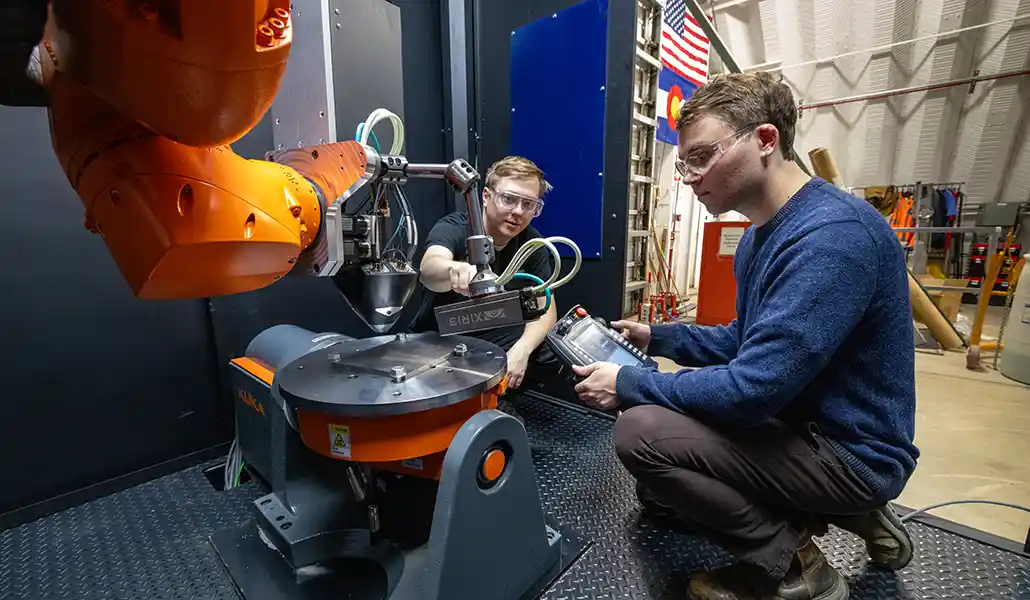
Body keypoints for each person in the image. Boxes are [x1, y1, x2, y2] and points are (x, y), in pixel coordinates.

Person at [570, 72, 919, 600]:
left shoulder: (832, 240)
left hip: (850, 452)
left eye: (703, 155)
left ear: (765, 140)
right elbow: (745, 341)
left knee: (640, 433)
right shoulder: (760, 237)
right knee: (659, 495)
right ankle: (844, 511)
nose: (688, 175)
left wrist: (629, 383)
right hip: (805, 421)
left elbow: (750, 391)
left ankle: (797, 565)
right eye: (684, 161)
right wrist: (657, 337)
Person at [415, 155, 558, 390]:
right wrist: (454, 269)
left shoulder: (531, 243)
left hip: (498, 337)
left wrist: (522, 350)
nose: (517, 211)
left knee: (559, 351)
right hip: (445, 340)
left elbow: (546, 307)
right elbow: (430, 267)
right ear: (485, 196)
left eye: (528, 204)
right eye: (509, 199)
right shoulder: (456, 227)